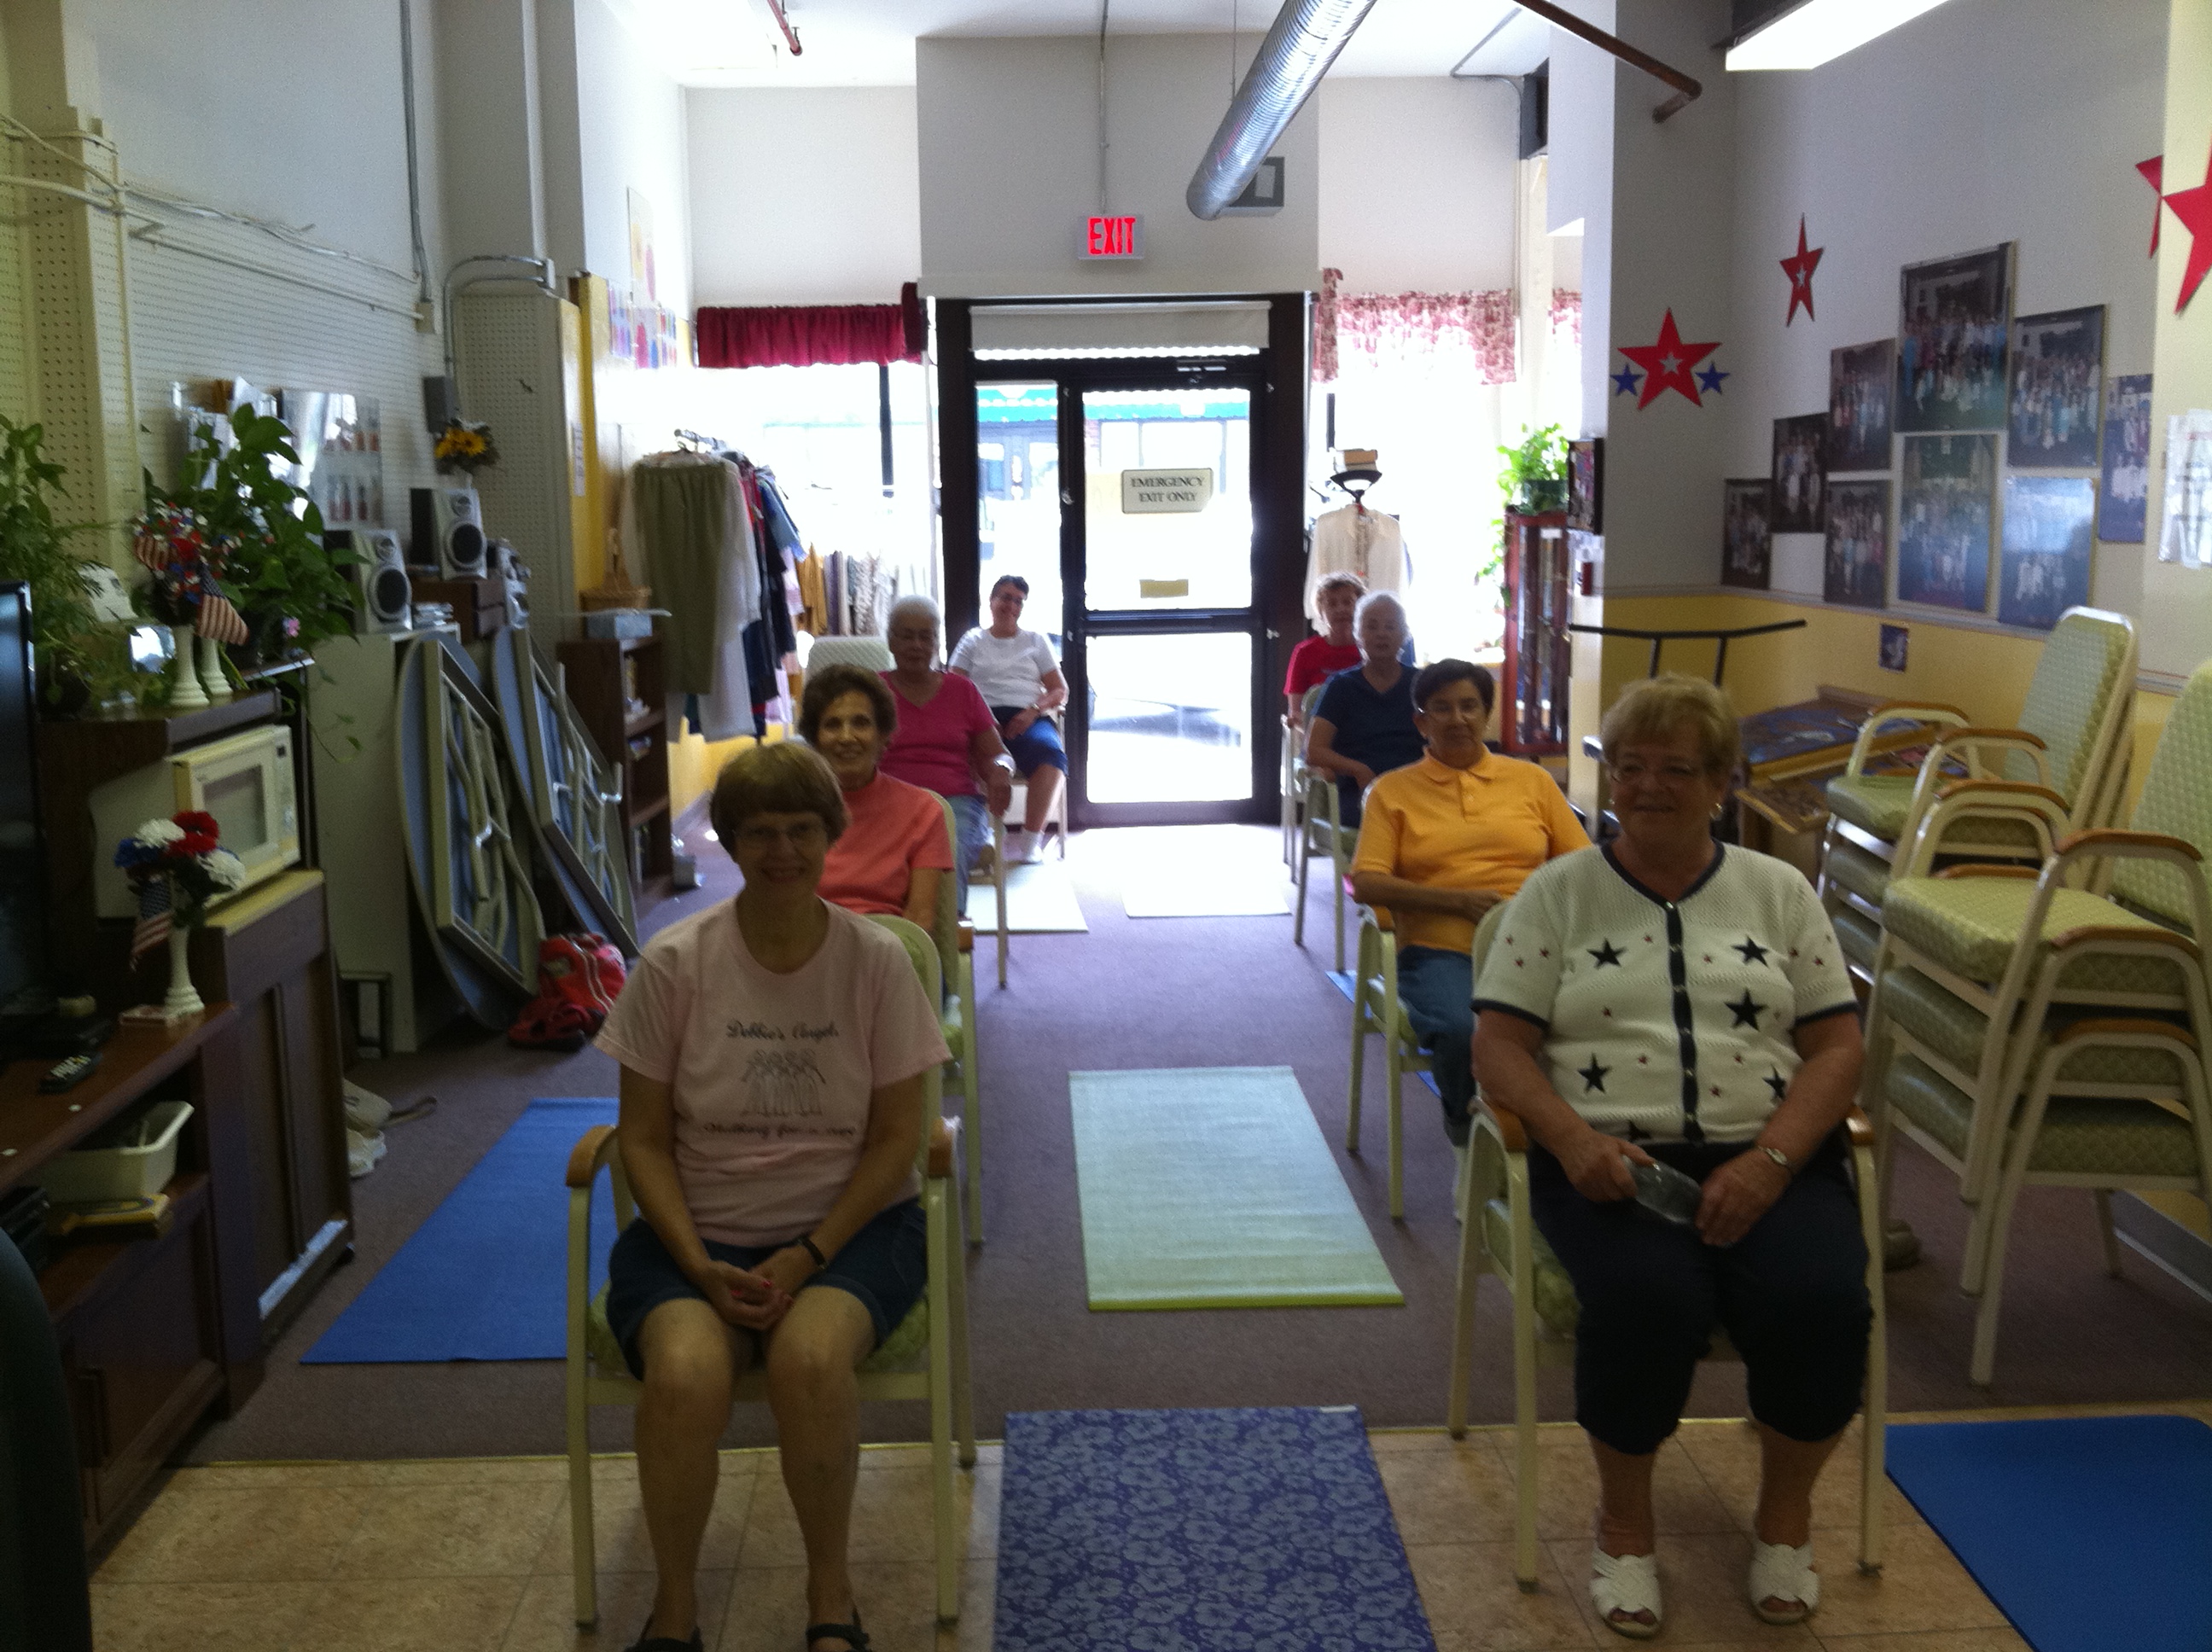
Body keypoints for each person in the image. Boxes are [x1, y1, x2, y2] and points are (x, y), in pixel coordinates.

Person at [1470, 675, 1869, 1640]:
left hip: (1771, 1156)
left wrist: (1773, 1162)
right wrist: (1571, 1139)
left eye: (1677, 770)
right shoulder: (1557, 892)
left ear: (1722, 782)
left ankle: (1784, 1520)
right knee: (1650, 1303)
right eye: (1631, 767)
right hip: (1613, 1159)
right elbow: (1498, 1045)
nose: (1648, 787)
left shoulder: (1777, 892)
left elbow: (1838, 1048)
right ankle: (1625, 1526)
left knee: (1818, 1301)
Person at [596, 742, 951, 1652]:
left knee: (807, 1361)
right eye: (761, 832)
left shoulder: (877, 963)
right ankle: (675, 1608)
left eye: (802, 829)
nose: (783, 849)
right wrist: (693, 1261)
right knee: (683, 1373)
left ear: (831, 836)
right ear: (732, 840)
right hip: (695, 1232)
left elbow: (895, 1141)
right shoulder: (674, 964)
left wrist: (809, 1253)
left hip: (852, 1228)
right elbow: (639, 1136)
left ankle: (830, 1595)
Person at [1350, 660, 1586, 1175]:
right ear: (1421, 721)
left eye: (1468, 706)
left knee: (1594, 1018)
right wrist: (1456, 901)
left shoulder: (1531, 780)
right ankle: (1468, 1146)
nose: (1456, 719)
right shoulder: (1393, 791)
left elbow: (1580, 864)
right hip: (1441, 946)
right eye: (1441, 708)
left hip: (1535, 943)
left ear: (1486, 715)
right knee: (1462, 1031)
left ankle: (1565, 1142)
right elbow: (1365, 882)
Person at [876, 594, 1016, 913]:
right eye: (906, 635)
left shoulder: (962, 691)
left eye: (926, 636)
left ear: (937, 643)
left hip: (956, 802)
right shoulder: (873, 691)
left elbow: (999, 754)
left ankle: (946, 950)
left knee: (944, 851)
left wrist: (1002, 771)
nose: (916, 645)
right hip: (888, 800)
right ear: (891, 641)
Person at [800, 663, 952, 930]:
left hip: (890, 951)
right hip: (805, 948)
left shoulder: (923, 810)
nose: (846, 737)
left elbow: (919, 918)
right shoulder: (789, 808)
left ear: (883, 735)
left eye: (860, 723)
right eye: (832, 725)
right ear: (815, 739)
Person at [950, 574, 1068, 864]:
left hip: (1029, 716)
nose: (1011, 605)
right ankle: (982, 835)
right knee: (967, 756)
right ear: (991, 601)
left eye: (1018, 601)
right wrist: (984, 717)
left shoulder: (1035, 641)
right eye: (1005, 597)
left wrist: (1032, 711)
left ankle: (1030, 844)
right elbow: (954, 686)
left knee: (1052, 757)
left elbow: (1059, 690)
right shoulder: (973, 639)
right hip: (981, 716)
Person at [1303, 590, 1424, 829]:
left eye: (1391, 627)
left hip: (1416, 787)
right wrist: (1357, 769)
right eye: (1372, 626)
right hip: (1361, 791)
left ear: (1405, 635)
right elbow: (1314, 750)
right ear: (1358, 634)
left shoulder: (1421, 684)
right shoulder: (1341, 686)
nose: (1381, 634)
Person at [1284, 570, 1365, 730]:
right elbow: (1297, 713)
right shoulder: (1305, 652)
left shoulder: (1370, 651)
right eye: (1332, 604)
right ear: (1321, 612)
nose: (1341, 609)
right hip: (1317, 738)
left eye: (1347, 602)